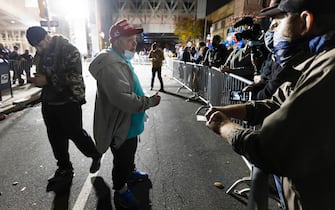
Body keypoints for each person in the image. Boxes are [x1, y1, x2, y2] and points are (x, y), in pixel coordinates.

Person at [205, 0, 335, 209]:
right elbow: (277, 101)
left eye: (279, 20)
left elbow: (268, 147)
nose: (272, 28)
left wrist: (224, 126)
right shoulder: (315, 61)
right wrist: (227, 110)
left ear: (305, 21)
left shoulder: (328, 67)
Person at [88, 18, 161, 209]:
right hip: (122, 126)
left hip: (129, 124)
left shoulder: (120, 59)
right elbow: (123, 99)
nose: (134, 43)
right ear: (116, 40)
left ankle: (131, 172)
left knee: (129, 153)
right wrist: (150, 102)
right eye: (130, 40)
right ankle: (120, 190)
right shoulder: (112, 64)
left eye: (135, 39)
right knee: (122, 159)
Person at [25, 26, 102, 189]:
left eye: (40, 45)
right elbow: (43, 72)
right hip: (49, 102)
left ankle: (94, 154)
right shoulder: (41, 52)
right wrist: (37, 79)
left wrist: (48, 80)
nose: (38, 49)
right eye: (36, 47)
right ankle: (64, 168)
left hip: (69, 101)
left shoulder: (68, 49)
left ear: (47, 37)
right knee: (55, 137)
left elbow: (74, 76)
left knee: (75, 133)